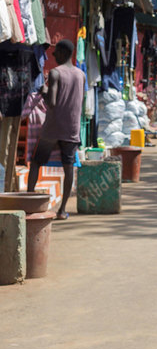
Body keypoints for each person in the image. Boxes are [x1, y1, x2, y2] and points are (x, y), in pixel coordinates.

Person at [27, 40, 85, 220]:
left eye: (55, 52)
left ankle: (30, 204)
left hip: (52, 128)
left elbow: (51, 102)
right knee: (68, 169)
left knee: (36, 163)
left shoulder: (55, 73)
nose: (52, 56)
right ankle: (62, 210)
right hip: (72, 129)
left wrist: (43, 90)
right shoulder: (81, 75)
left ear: (62, 53)